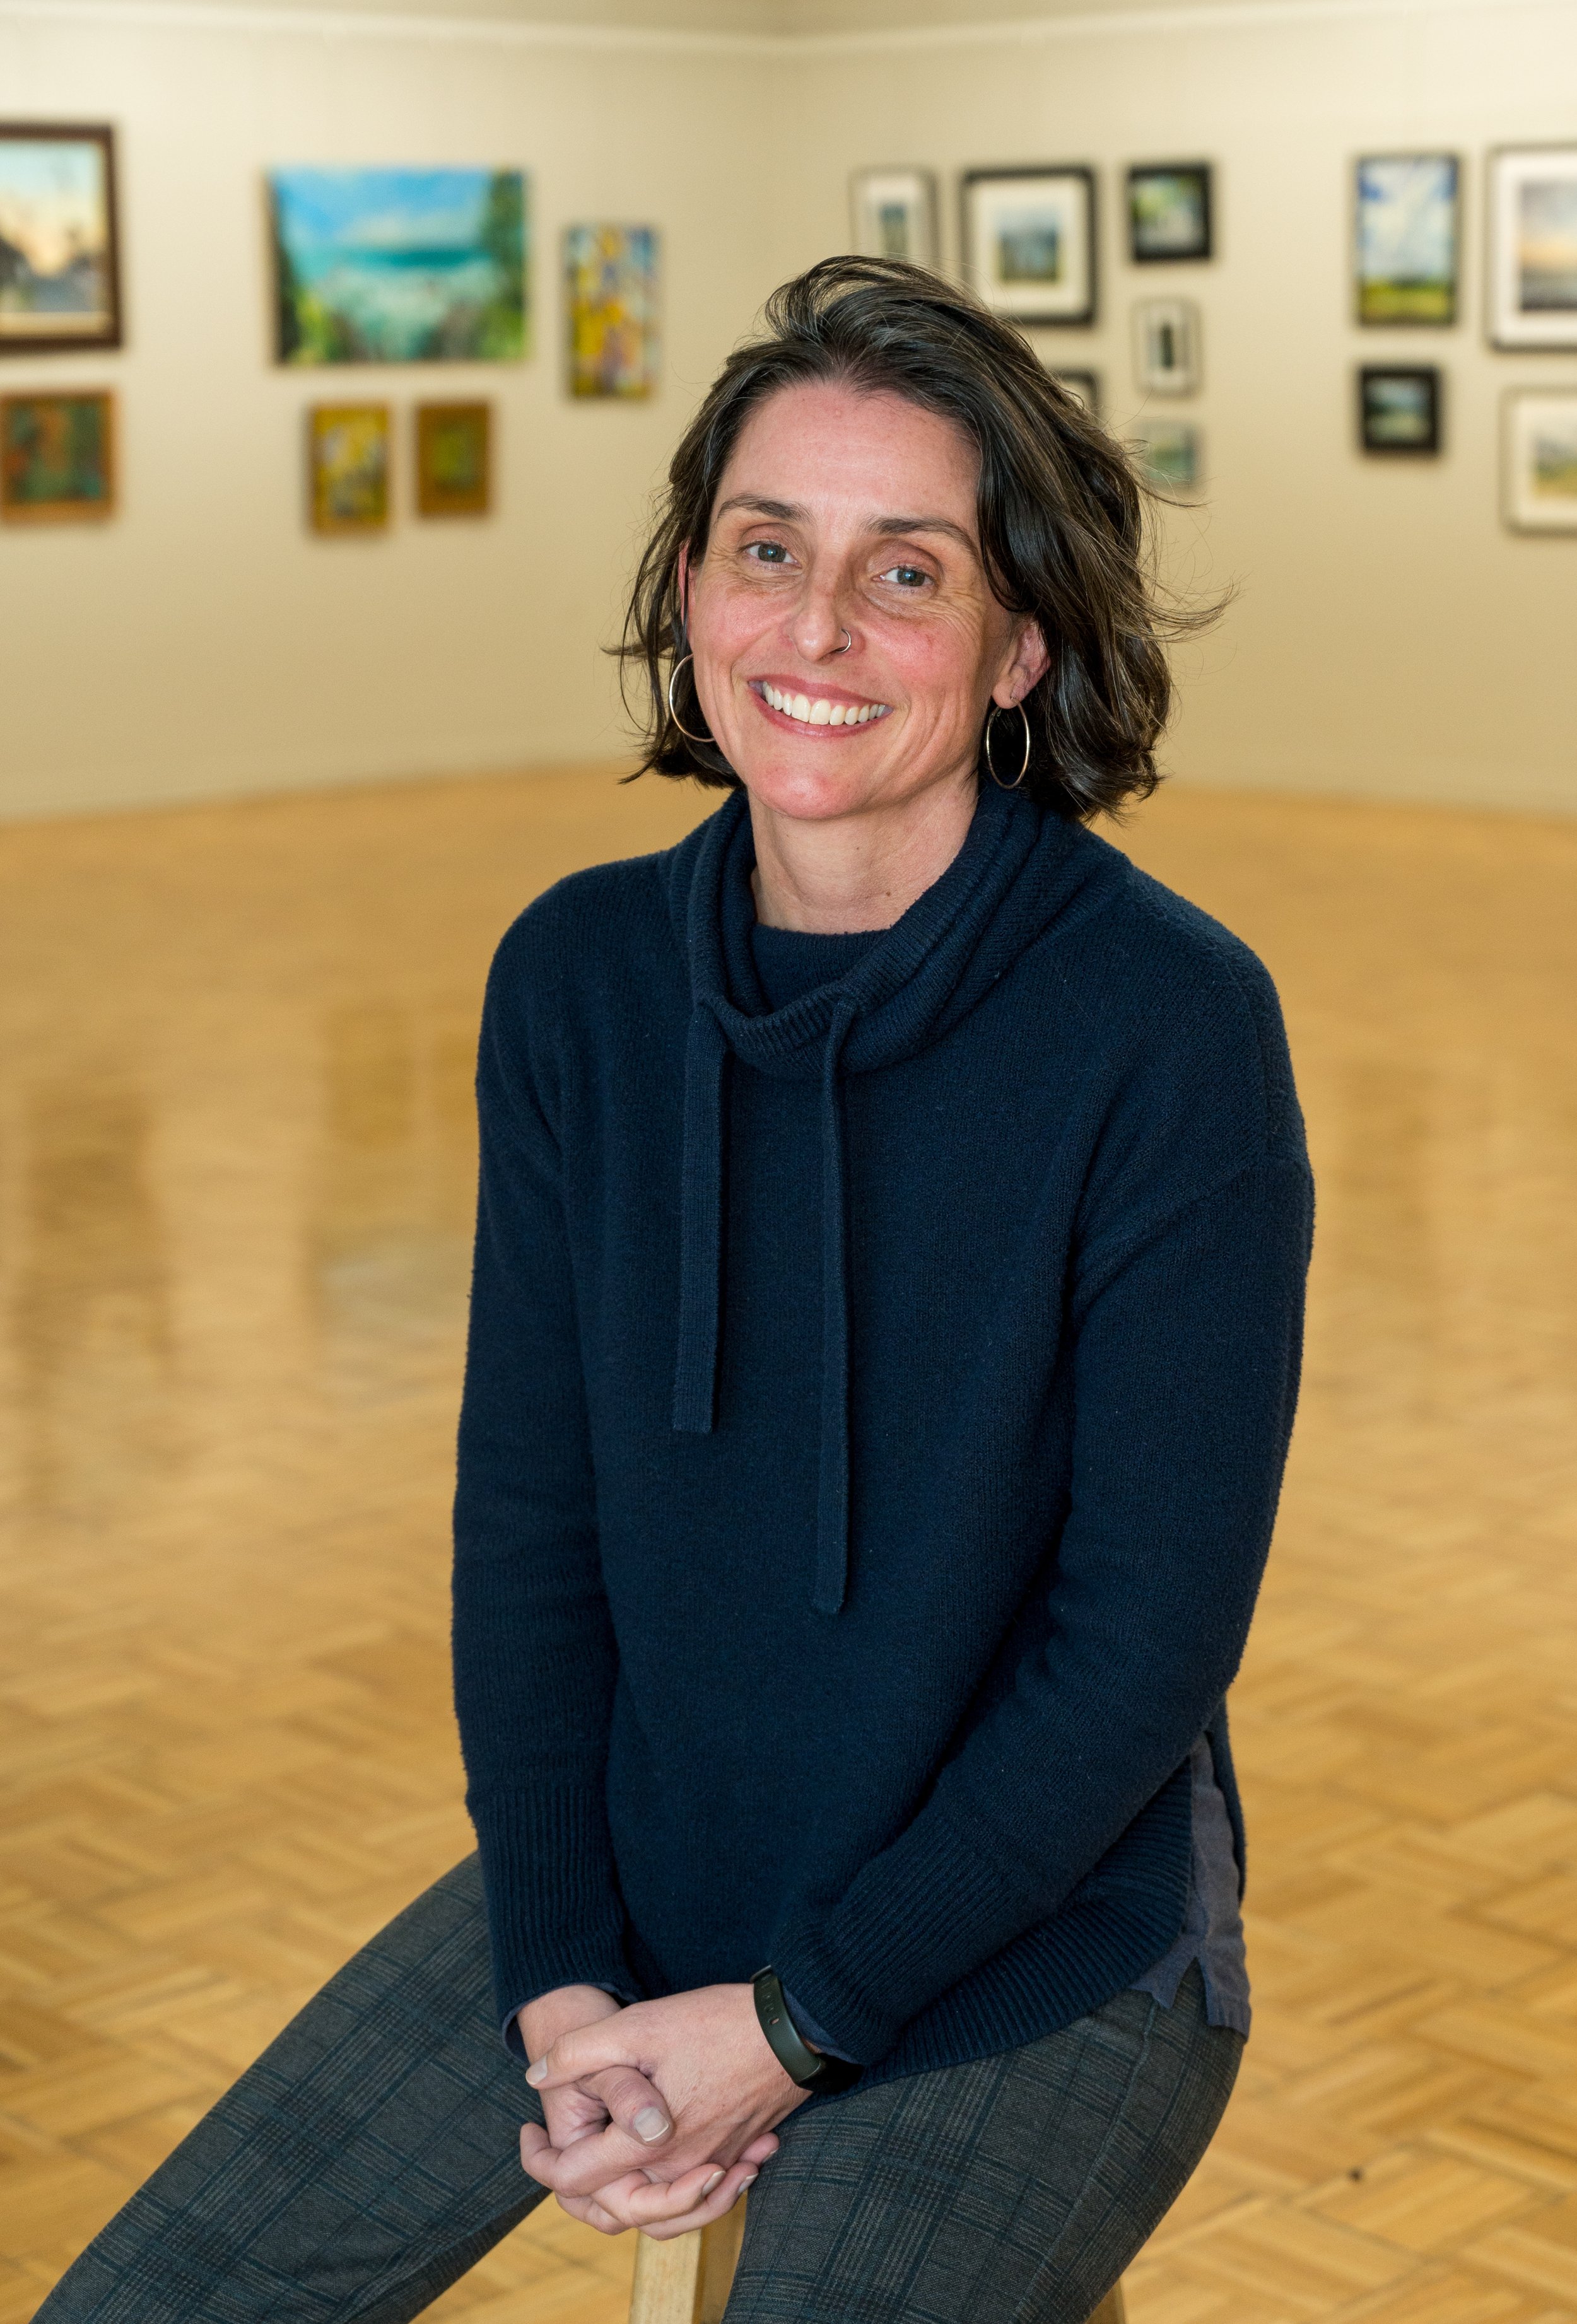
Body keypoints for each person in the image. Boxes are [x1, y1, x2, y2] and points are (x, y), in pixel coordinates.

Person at [37, 257, 1312, 2324]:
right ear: (691, 587)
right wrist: (557, 1970)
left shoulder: (1162, 1023)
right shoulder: (578, 979)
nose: (813, 629)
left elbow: (1140, 1648)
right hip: (641, 1856)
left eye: (906, 573)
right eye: (764, 548)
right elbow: (530, 1532)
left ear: (1018, 647)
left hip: (1031, 1929)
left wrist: (796, 2024)